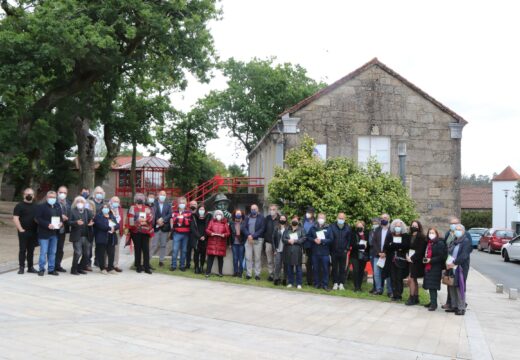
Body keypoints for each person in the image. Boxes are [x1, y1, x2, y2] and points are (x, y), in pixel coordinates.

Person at [445, 224, 472, 315]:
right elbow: (449, 253)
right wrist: (448, 263)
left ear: (463, 231)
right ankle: (454, 306)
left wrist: (454, 263)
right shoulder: (454, 241)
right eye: (456, 229)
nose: (457, 231)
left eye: (459, 229)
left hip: (460, 268)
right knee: (452, 285)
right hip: (451, 267)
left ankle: (461, 308)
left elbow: (464, 256)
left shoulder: (466, 241)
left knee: (459, 287)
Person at [35, 191, 63, 276]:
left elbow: (60, 218)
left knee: (52, 252)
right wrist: (47, 224)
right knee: (43, 252)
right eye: (50, 197)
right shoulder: (41, 207)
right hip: (44, 233)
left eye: (54, 197)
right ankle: (41, 269)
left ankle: (51, 269)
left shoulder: (57, 207)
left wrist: (61, 223)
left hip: (54, 234)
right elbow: (38, 218)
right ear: (47, 198)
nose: (52, 199)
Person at [127, 193, 154, 274]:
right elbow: (130, 219)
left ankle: (146, 267)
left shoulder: (147, 208)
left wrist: (145, 221)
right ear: (135, 199)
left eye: (141, 198)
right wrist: (138, 222)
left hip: (145, 231)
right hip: (136, 232)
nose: (140, 199)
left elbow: (151, 217)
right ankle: (138, 266)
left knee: (146, 249)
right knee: (137, 249)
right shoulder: (132, 207)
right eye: (138, 198)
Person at [12, 188, 38, 274]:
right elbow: (15, 219)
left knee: (31, 250)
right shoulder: (19, 206)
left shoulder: (36, 206)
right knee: (22, 250)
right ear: (24, 195)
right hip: (23, 231)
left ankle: (30, 267)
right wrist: (21, 230)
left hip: (33, 232)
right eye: (27, 194)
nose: (29, 196)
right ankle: (21, 267)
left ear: (33, 196)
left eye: (31, 194)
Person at [385, 219, 411, 301]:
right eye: (396, 226)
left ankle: (399, 295)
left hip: (401, 260)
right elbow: (386, 246)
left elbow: (406, 246)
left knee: (399, 278)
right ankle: (394, 294)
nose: (397, 227)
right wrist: (398, 246)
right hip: (391, 260)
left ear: (402, 227)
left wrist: (393, 245)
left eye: (399, 226)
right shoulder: (390, 235)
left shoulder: (405, 236)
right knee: (393, 278)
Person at [422, 227, 447, 311]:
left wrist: (430, 260)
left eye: (433, 233)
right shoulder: (429, 243)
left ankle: (434, 304)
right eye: (429, 233)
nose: (431, 234)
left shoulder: (439, 243)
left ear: (436, 234)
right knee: (430, 285)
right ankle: (432, 301)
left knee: (433, 286)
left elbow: (441, 256)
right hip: (428, 266)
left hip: (435, 267)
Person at [68, 196, 94, 275]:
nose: (80, 203)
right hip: (77, 236)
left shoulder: (87, 211)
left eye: (82, 202)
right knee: (78, 252)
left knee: (87, 254)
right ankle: (74, 269)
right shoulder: (72, 211)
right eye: (78, 201)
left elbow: (92, 219)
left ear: (84, 203)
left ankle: (80, 268)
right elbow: (69, 222)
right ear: (76, 203)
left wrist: (91, 223)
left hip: (86, 235)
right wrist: (76, 222)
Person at [329, 212, 353, 290]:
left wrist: (347, 249)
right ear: (337, 218)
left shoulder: (348, 227)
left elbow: (349, 240)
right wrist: (331, 249)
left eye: (342, 218)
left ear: (345, 219)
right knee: (335, 267)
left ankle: (341, 283)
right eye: (339, 218)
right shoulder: (332, 226)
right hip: (334, 251)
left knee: (343, 268)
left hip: (343, 251)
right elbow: (330, 238)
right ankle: (335, 283)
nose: (341, 219)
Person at [307, 213, 331, 290]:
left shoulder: (328, 228)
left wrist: (322, 241)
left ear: (325, 219)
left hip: (325, 253)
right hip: (315, 252)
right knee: (316, 269)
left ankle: (325, 284)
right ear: (317, 218)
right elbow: (308, 237)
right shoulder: (313, 227)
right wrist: (314, 240)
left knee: (325, 269)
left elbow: (331, 239)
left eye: (323, 218)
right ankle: (316, 283)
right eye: (320, 217)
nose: (321, 219)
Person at [94, 204, 120, 274]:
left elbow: (117, 224)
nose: (106, 209)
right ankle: (102, 268)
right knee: (101, 253)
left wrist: (114, 228)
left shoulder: (112, 216)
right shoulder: (98, 216)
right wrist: (110, 228)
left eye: (107, 208)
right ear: (101, 209)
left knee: (111, 253)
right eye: (104, 207)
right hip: (101, 238)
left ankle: (110, 268)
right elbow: (100, 225)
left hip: (111, 238)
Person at [405, 220, 427, 305]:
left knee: (411, 279)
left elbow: (421, 250)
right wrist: (407, 256)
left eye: (416, 225)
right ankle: (416, 297)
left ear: (419, 227)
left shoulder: (422, 237)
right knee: (413, 279)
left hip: (417, 261)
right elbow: (406, 247)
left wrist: (412, 258)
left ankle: (411, 298)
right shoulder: (409, 236)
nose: (414, 227)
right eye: (412, 225)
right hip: (409, 260)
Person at [242, 204, 265, 280]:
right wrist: (248, 235)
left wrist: (253, 235)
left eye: (255, 209)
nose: (253, 210)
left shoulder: (261, 218)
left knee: (257, 258)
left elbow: (262, 229)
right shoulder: (247, 217)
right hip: (248, 240)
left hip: (257, 240)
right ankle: (249, 274)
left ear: (258, 210)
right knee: (248, 257)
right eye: (252, 209)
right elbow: (243, 227)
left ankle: (257, 274)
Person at [371, 213, 393, 296]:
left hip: (387, 255)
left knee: (388, 274)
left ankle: (390, 291)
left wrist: (385, 253)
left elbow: (392, 243)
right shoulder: (377, 229)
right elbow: (374, 242)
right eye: (382, 218)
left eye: (385, 218)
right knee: (377, 273)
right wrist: (379, 252)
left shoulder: (392, 230)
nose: (384, 219)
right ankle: (379, 289)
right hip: (377, 255)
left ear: (389, 219)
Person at [282, 215, 306, 289]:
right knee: (289, 268)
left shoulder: (301, 229)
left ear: (298, 221)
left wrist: (295, 241)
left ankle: (299, 283)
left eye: (296, 219)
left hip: (297, 250)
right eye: (293, 219)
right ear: (291, 221)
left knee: (298, 268)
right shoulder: (287, 229)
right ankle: (290, 282)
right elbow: (283, 239)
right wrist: (288, 241)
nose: (294, 221)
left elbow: (304, 238)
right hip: (288, 250)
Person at [205, 210, 230, 277]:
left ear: (222, 216)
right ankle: (207, 272)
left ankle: (220, 273)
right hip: (212, 242)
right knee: (210, 258)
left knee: (220, 259)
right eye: (217, 214)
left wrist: (223, 235)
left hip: (221, 243)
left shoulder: (225, 223)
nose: (218, 215)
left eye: (220, 214)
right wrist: (211, 233)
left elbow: (228, 233)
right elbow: (207, 230)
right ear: (215, 215)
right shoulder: (211, 222)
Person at [150, 190, 172, 267]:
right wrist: (157, 220)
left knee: (163, 245)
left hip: (164, 228)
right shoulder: (154, 204)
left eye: (164, 195)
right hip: (156, 227)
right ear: (158, 195)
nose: (162, 196)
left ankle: (161, 260)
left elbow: (170, 214)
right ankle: (148, 259)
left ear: (165, 196)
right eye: (161, 194)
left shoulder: (168, 205)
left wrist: (162, 220)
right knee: (154, 245)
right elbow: (152, 213)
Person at [170, 197, 192, 271]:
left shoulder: (189, 213)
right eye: (180, 203)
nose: (181, 204)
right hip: (176, 233)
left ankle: (182, 265)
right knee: (175, 250)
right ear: (178, 204)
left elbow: (189, 223)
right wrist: (182, 219)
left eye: (183, 203)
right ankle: (173, 265)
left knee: (184, 250)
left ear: (185, 204)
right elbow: (173, 222)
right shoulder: (174, 212)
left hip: (186, 234)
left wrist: (181, 219)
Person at [55, 185, 71, 273]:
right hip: (53, 229)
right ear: (57, 192)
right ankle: (52, 266)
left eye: (64, 193)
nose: (62, 194)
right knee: (53, 248)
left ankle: (58, 265)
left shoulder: (68, 203)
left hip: (63, 229)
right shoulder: (53, 202)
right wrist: (60, 216)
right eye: (61, 192)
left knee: (60, 248)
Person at [351, 220, 370, 292]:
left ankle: (359, 286)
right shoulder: (353, 234)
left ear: (363, 227)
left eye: (361, 226)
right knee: (356, 271)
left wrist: (365, 247)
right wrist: (362, 246)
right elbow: (353, 244)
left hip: (363, 256)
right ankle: (356, 287)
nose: (359, 227)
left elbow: (369, 244)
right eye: (358, 226)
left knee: (361, 271)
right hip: (355, 255)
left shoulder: (367, 234)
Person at [191, 205, 209, 274]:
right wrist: (199, 236)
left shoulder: (208, 217)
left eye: (203, 209)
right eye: (200, 209)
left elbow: (208, 227)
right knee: (196, 253)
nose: (202, 211)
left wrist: (205, 236)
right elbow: (193, 228)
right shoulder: (194, 216)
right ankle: (196, 267)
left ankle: (201, 266)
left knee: (203, 254)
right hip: (197, 238)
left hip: (205, 238)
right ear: (198, 210)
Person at [263, 204, 279, 281]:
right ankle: (271, 274)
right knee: (269, 260)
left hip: (277, 244)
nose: (272, 211)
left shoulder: (280, 219)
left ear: (277, 210)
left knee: (277, 260)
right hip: (268, 242)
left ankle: (276, 275)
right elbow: (264, 229)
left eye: (273, 209)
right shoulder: (267, 218)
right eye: (271, 209)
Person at [90, 186, 105, 268]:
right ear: (94, 194)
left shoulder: (104, 204)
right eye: (97, 193)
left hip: (100, 228)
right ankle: (88, 262)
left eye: (101, 193)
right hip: (91, 227)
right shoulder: (90, 203)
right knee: (89, 245)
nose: (99, 194)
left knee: (99, 244)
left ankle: (97, 260)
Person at [109, 196, 124, 272]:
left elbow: (121, 221)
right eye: (114, 201)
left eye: (117, 202)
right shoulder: (107, 209)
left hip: (118, 232)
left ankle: (115, 265)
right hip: (109, 231)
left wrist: (122, 230)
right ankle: (106, 265)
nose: (116, 203)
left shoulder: (120, 210)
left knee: (117, 249)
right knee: (107, 249)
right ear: (111, 202)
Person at [272, 214, 288, 286]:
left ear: (286, 220)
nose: (282, 219)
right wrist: (274, 249)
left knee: (285, 265)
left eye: (284, 218)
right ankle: (276, 279)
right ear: (279, 219)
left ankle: (285, 279)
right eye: (281, 218)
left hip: (286, 250)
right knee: (277, 265)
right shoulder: (276, 228)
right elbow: (273, 239)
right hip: (278, 250)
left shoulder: (288, 228)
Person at [302, 206, 316, 286]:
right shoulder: (304, 221)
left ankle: (315, 279)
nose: (308, 214)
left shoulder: (316, 222)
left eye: (309, 212)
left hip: (315, 245)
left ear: (313, 214)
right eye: (307, 212)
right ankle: (309, 280)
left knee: (315, 262)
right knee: (309, 263)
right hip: (307, 246)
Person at [230, 209, 246, 277]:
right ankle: (235, 271)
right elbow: (230, 234)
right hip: (234, 243)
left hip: (241, 243)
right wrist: (230, 243)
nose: (238, 215)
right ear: (234, 214)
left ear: (242, 214)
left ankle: (240, 272)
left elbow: (245, 233)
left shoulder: (244, 223)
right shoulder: (231, 223)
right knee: (235, 258)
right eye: (237, 213)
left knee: (241, 258)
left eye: (239, 213)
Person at [368, 218, 380, 294]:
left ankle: (379, 288)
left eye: (376, 223)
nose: (374, 224)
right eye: (373, 223)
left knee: (379, 272)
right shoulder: (371, 232)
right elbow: (370, 242)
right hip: (372, 253)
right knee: (375, 272)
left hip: (380, 253)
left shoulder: (381, 231)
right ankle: (375, 287)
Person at [186, 200, 199, 269]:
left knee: (196, 250)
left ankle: (196, 265)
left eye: (195, 204)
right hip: (188, 234)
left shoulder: (199, 214)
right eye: (192, 204)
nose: (193, 205)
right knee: (188, 250)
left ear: (197, 206)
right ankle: (187, 264)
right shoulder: (187, 213)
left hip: (196, 235)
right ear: (190, 206)